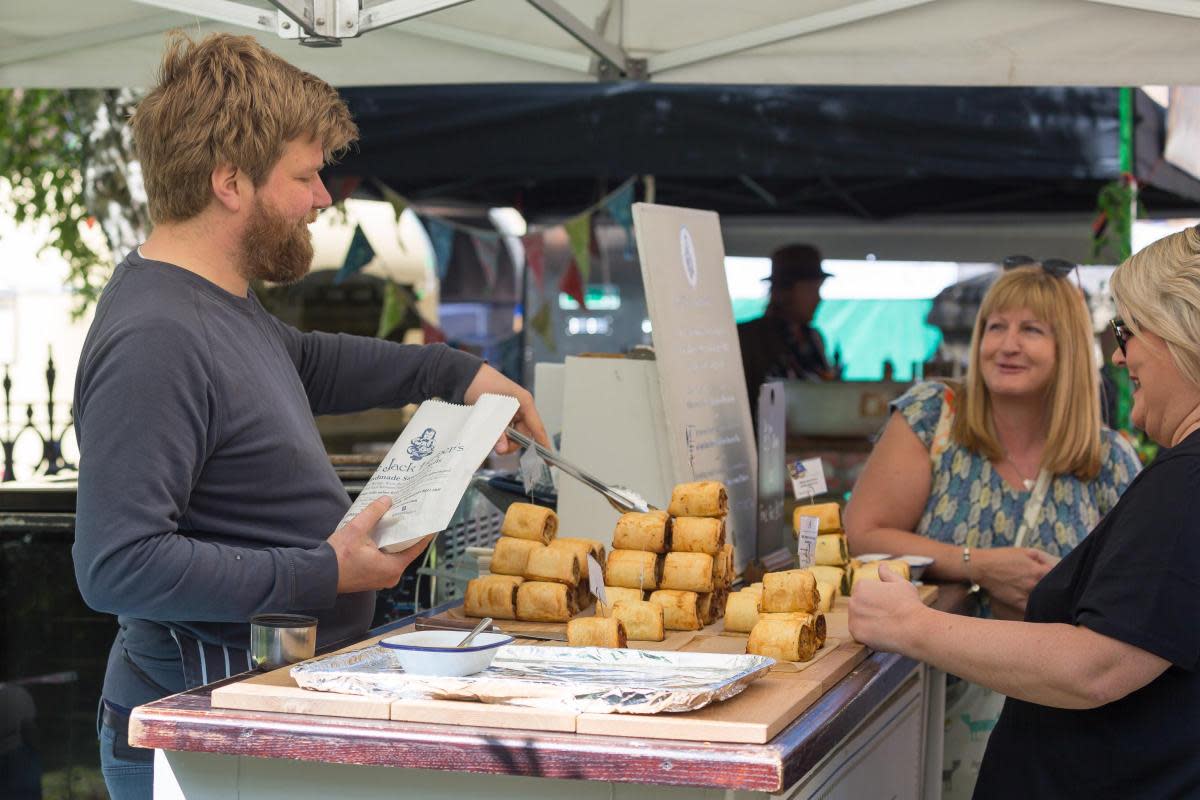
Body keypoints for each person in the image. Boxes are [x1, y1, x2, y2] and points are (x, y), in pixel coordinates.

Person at [71, 32, 548, 800]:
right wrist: (325, 570)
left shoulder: (215, 303)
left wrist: (456, 372)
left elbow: (307, 362)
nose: (324, 197)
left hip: (262, 709)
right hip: (203, 728)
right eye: (305, 175)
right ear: (230, 181)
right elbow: (116, 564)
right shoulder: (156, 335)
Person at [850, 225, 1200, 798]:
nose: (1119, 352)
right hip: (941, 709)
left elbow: (1099, 663)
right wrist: (977, 566)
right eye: (996, 326)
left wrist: (912, 623)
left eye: (1128, 332)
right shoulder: (933, 416)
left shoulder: (1168, 473)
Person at [737, 243, 833, 405]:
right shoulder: (747, 337)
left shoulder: (815, 339)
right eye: (811, 290)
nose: (818, 299)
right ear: (785, 292)